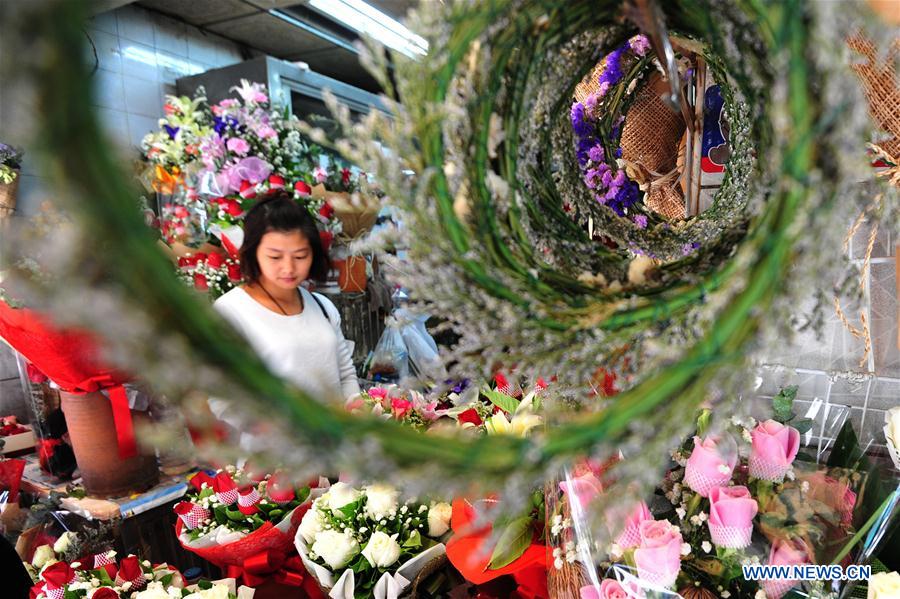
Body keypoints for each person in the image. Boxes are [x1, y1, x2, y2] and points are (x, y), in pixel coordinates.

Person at [213, 191, 360, 402]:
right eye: (275, 256)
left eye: (300, 256)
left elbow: (346, 376)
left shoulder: (322, 306)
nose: (288, 268)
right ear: (253, 252)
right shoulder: (230, 311)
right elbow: (222, 398)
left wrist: (358, 413)